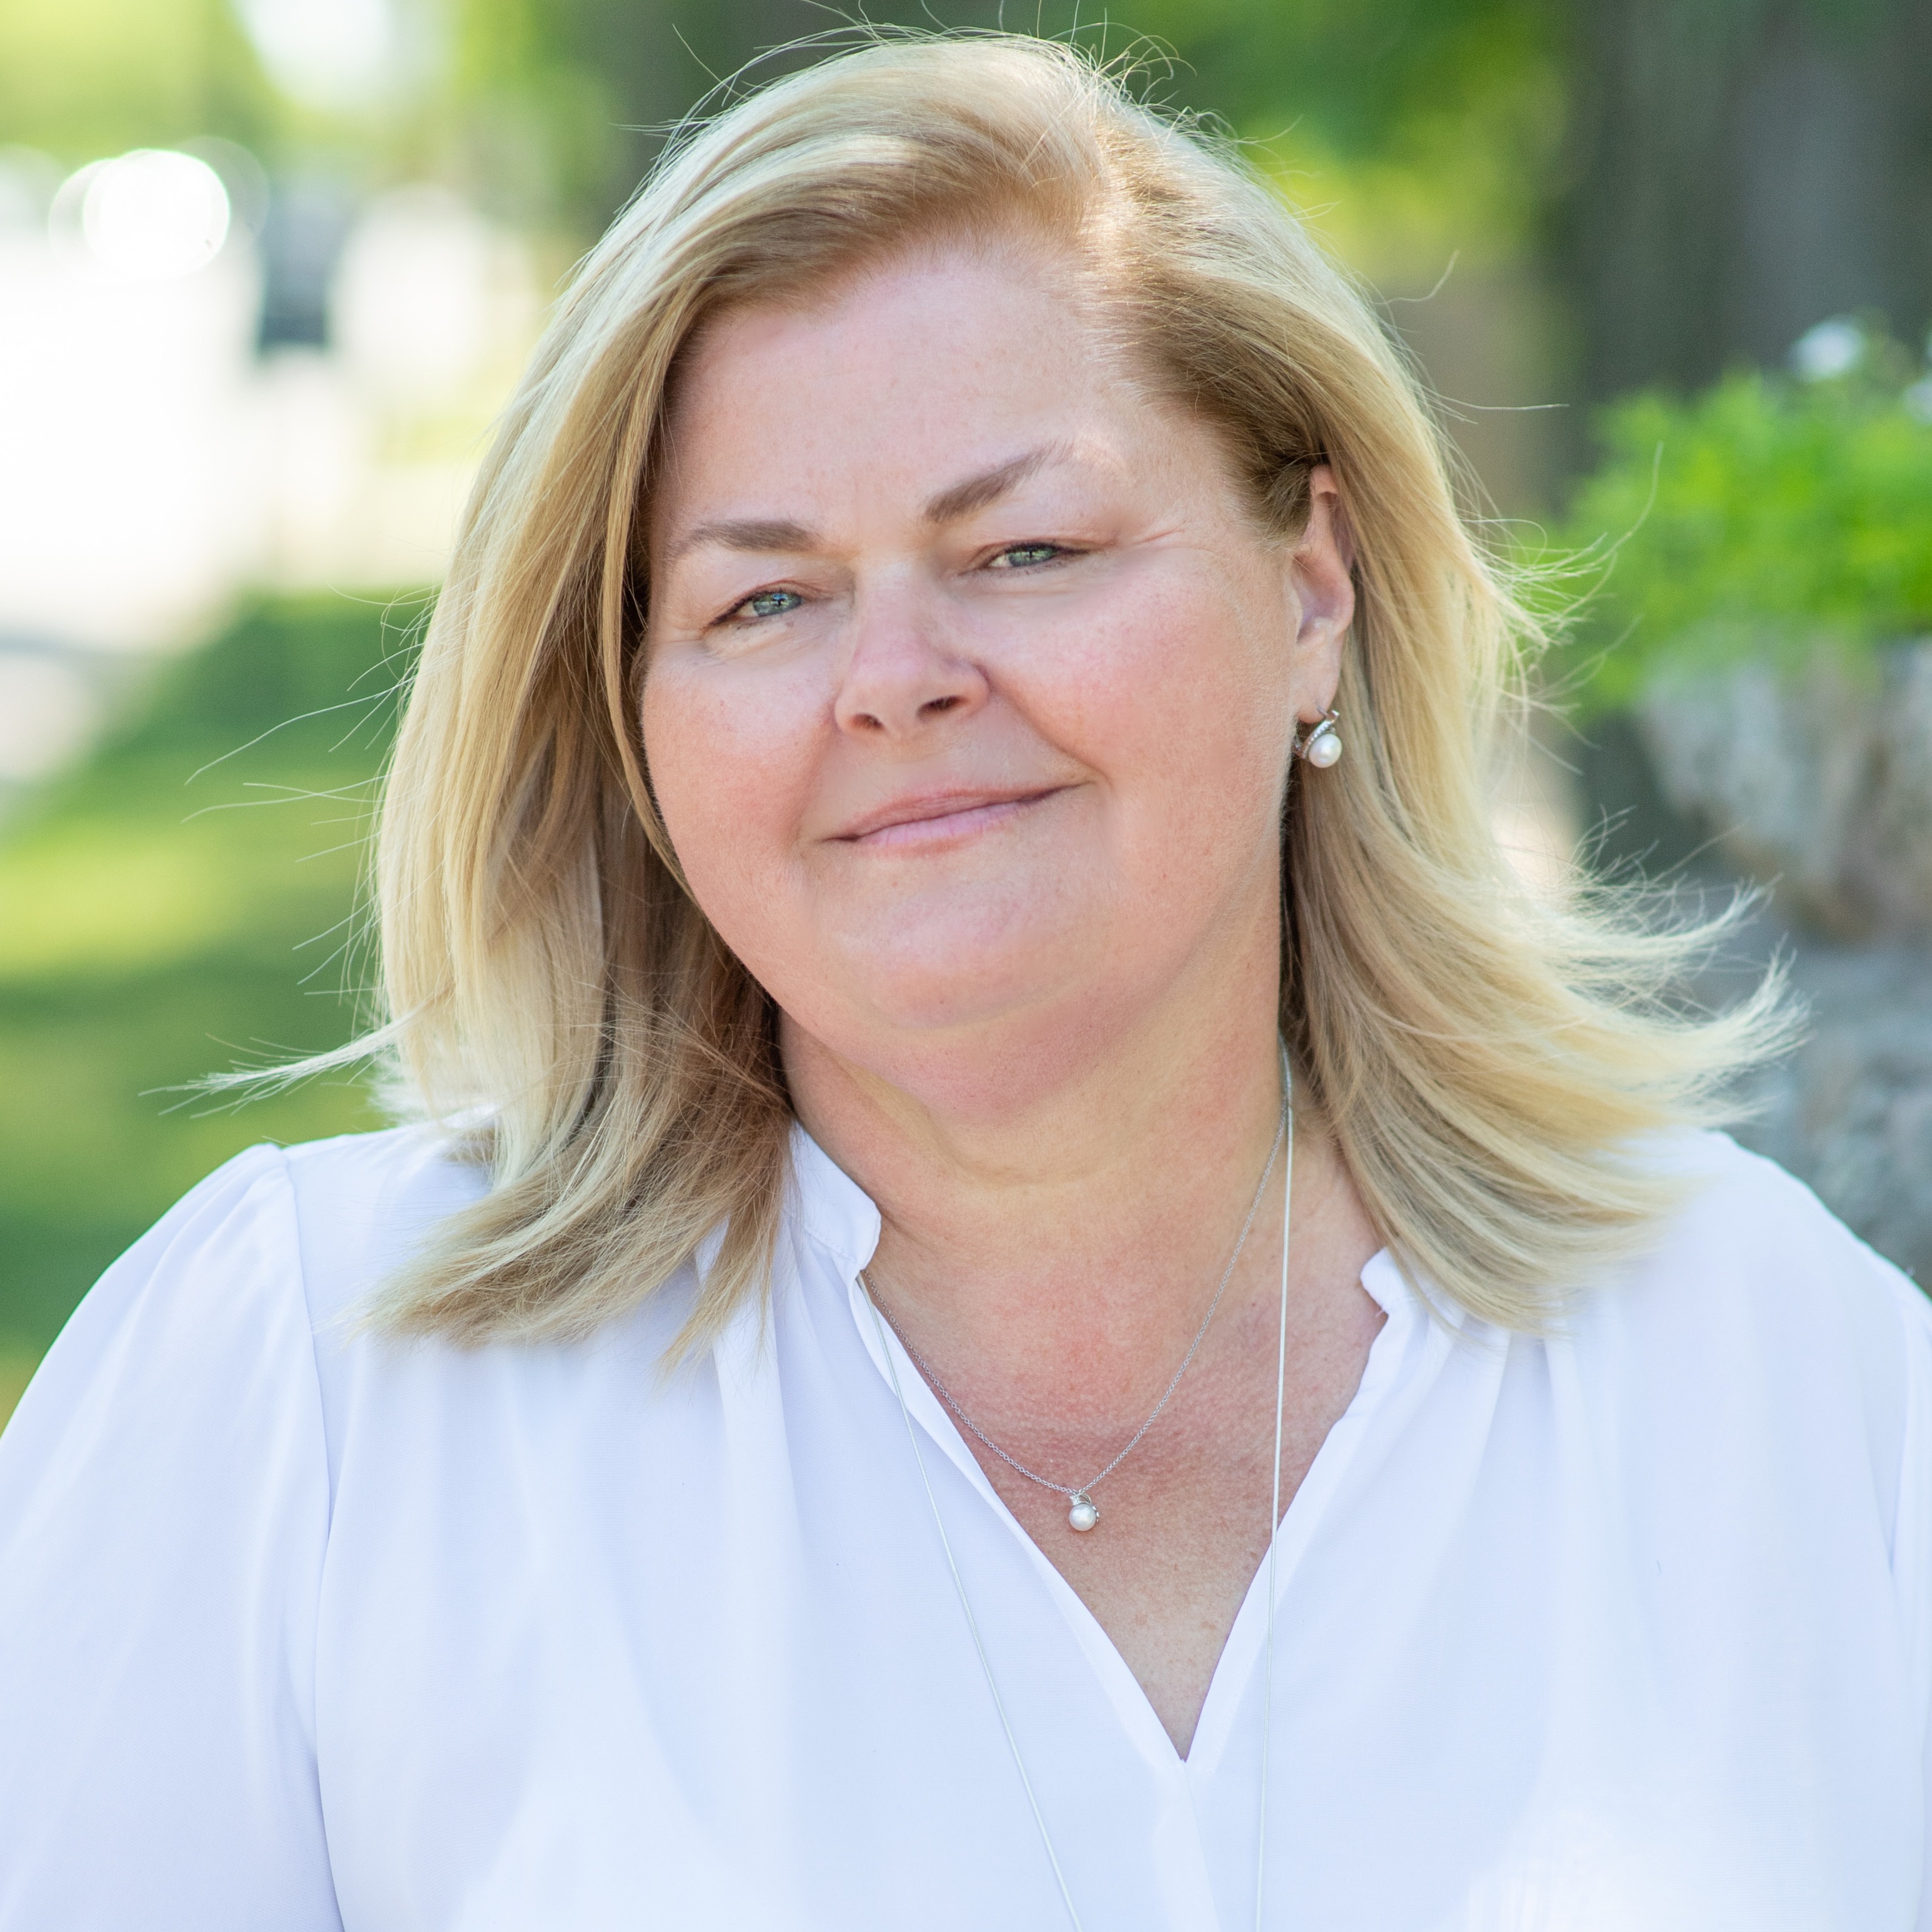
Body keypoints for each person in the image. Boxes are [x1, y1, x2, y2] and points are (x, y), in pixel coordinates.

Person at [1, 34, 1925, 1932]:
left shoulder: (1785, 1384)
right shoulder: (318, 1402)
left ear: (1312, 593)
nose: (895, 675)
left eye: (1024, 546)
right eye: (763, 596)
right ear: (638, 722)